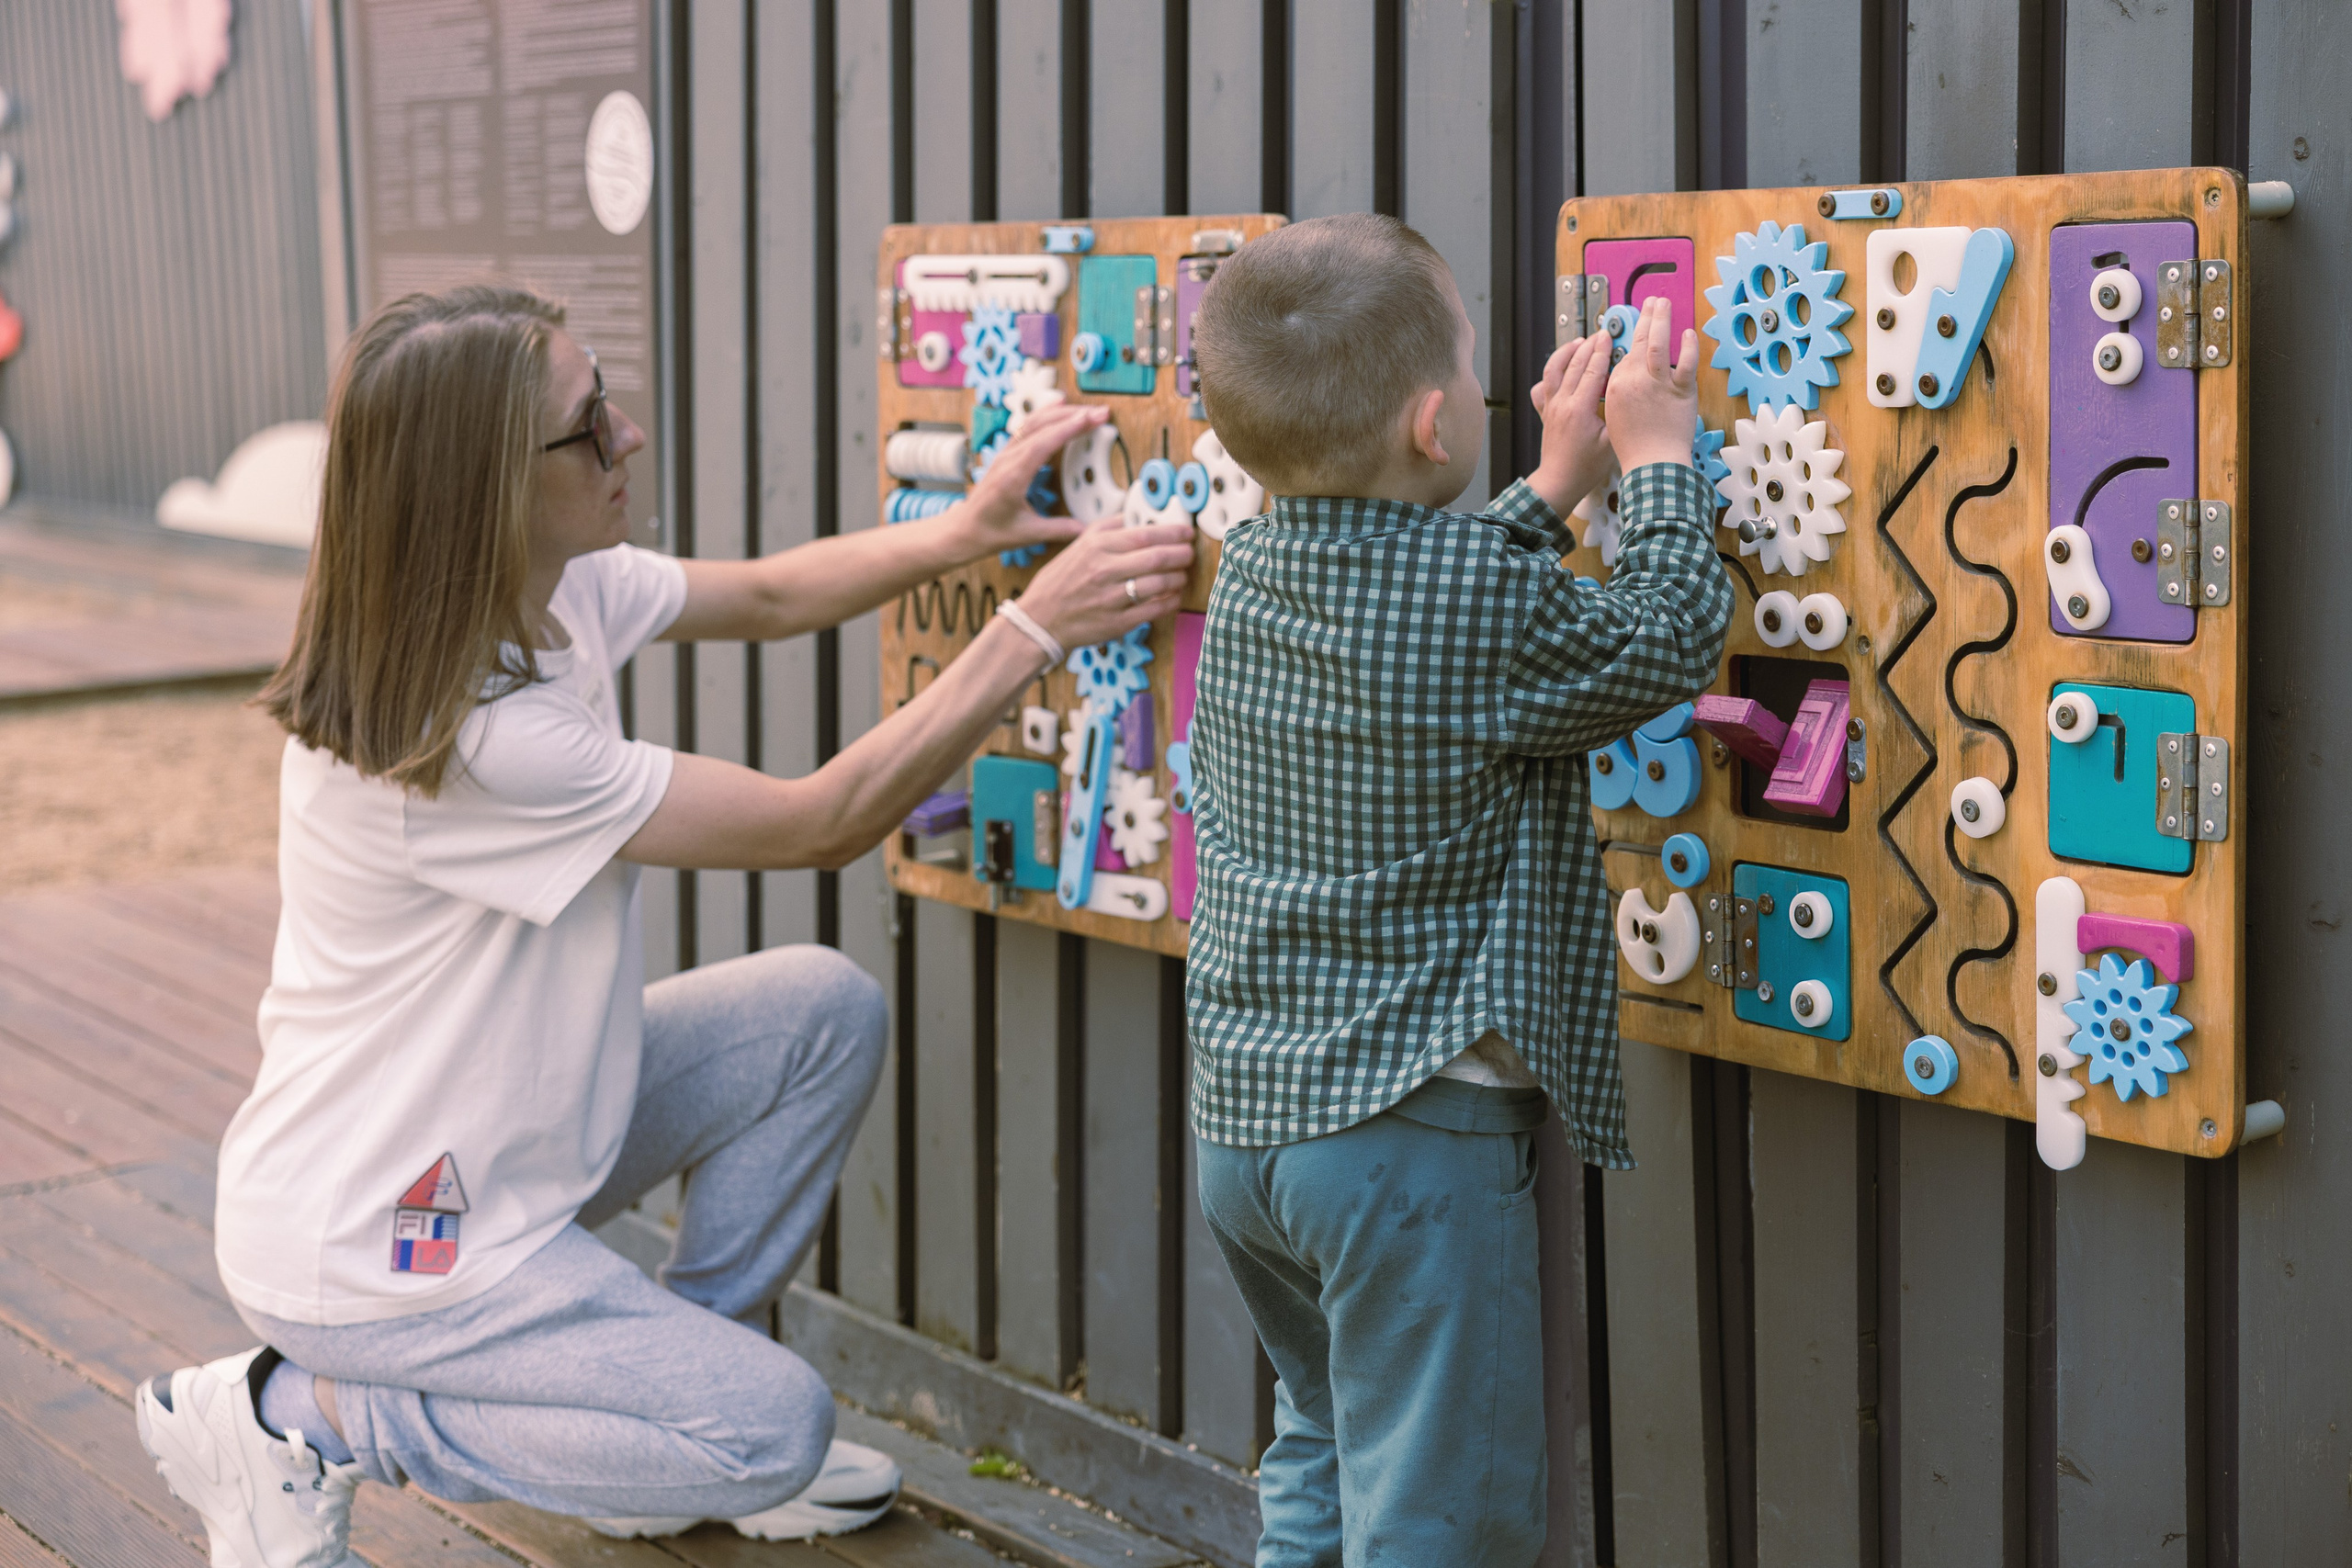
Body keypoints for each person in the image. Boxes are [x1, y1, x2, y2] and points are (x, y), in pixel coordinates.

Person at [133, 285, 1193, 1568]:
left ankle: (666, 1427)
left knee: (816, 1012)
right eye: (589, 427)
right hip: (383, 1238)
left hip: (509, 1140)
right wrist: (1033, 630)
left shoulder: (542, 593)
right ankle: (297, 1418)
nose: (625, 437)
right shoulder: (479, 737)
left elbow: (764, 598)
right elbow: (822, 819)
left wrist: (962, 531)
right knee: (776, 1430)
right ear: (489, 490)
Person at [1184, 214, 1732, 1565]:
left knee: (1320, 1452)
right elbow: (1662, 638)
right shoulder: (1467, 609)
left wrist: (1549, 489)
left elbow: (1427, 614)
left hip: (1249, 1134)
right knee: (1446, 1520)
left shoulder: (1253, 566)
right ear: (1437, 425)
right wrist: (1655, 462)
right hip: (1401, 1144)